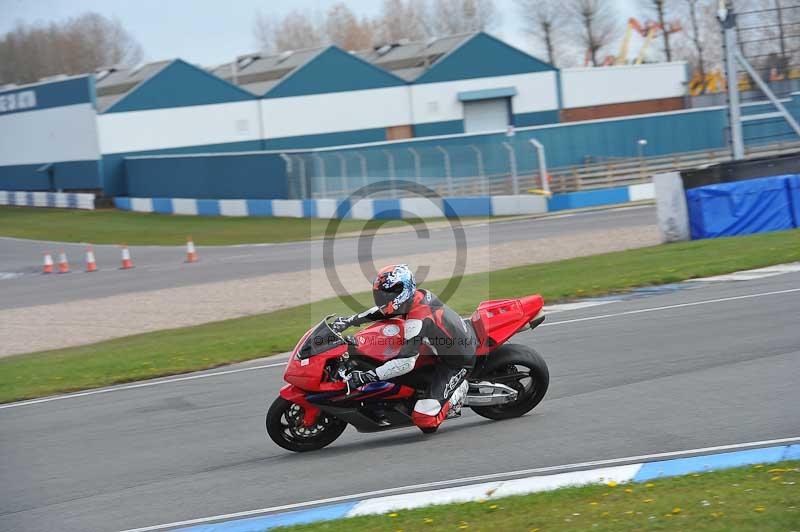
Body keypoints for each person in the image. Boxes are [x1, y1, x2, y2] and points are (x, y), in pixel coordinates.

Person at [331, 264, 477, 431]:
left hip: (457, 361)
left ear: (402, 292)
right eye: (380, 294)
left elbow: (407, 362)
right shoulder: (414, 297)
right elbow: (382, 311)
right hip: (437, 346)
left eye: (386, 295)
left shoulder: (418, 320)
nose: (382, 299)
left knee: (425, 420)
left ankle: (458, 392)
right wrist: (350, 321)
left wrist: (367, 377)